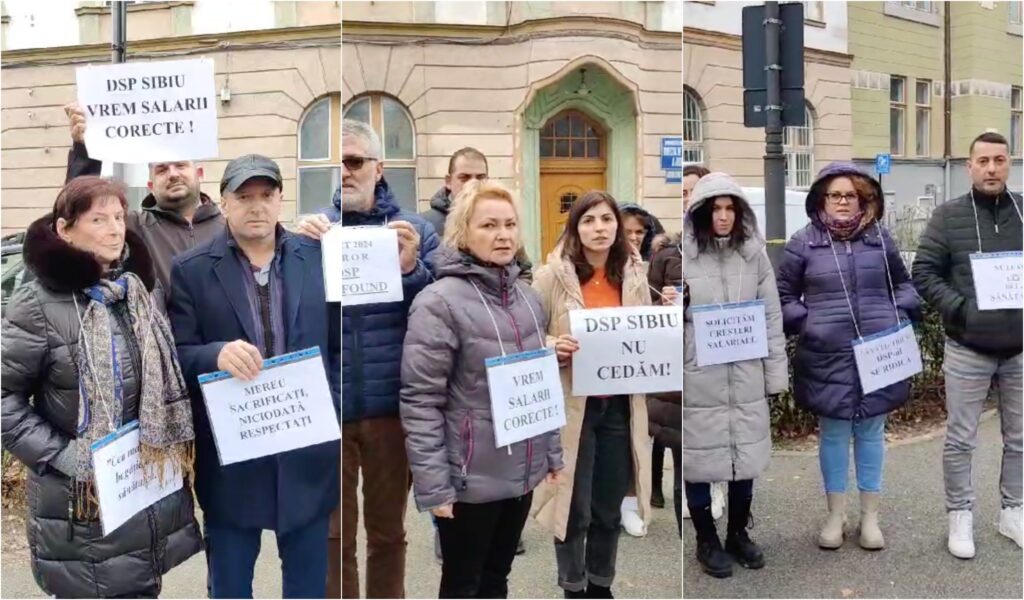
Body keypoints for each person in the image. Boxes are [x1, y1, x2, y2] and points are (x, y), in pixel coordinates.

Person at [1, 176, 203, 598]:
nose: (115, 228)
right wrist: (62, 454)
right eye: (98, 219)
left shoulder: (136, 291)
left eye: (117, 217)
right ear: (64, 229)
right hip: (82, 503)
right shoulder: (38, 304)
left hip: (139, 496)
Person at [167, 155, 341, 598]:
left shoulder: (319, 258)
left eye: (266, 195)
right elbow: (177, 356)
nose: (256, 206)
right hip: (233, 457)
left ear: (281, 200)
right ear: (223, 203)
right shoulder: (191, 270)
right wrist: (215, 354)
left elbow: (342, 347)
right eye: (244, 197)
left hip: (306, 451)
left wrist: (332, 411)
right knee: (229, 586)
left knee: (306, 586)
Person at [400, 179, 563, 598]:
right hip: (470, 478)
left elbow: (538, 386)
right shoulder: (439, 302)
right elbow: (421, 401)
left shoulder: (529, 300)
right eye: (489, 225)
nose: (503, 234)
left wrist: (551, 453)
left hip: (521, 471)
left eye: (509, 224)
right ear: (463, 233)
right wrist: (435, 486)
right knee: (462, 585)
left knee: (497, 579)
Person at [297, 119, 439, 598]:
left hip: (389, 408)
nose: (346, 172)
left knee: (387, 534)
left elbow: (443, 311)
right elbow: (287, 308)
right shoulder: (311, 232)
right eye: (337, 163)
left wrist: (411, 270)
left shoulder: (415, 231)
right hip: (329, 407)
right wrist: (296, 255)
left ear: (379, 168)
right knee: (335, 536)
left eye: (355, 161)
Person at [777, 163, 922, 551]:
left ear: (863, 199)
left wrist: (899, 314)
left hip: (879, 351)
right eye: (835, 195)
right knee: (835, 434)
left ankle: (870, 516)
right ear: (821, 199)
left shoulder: (881, 239)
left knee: (872, 432)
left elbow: (904, 286)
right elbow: (784, 297)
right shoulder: (802, 242)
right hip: (827, 354)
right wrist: (809, 324)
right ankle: (835, 516)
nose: (843, 202)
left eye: (850, 195)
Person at [531, 191, 653, 599]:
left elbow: (646, 339)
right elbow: (528, 335)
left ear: (618, 226)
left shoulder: (635, 274)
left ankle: (601, 584)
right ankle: (573, 585)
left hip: (619, 407)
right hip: (572, 408)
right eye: (588, 220)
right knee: (573, 505)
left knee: (608, 506)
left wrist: (665, 315)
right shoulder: (551, 276)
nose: (599, 228)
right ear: (575, 228)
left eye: (606, 219)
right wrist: (552, 344)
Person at [912, 131, 1023, 558]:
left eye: (999, 160)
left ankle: (1013, 510)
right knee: (961, 439)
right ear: (969, 167)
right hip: (967, 347)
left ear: (1008, 163)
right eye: (983, 161)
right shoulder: (947, 216)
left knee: (1019, 438)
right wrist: (961, 309)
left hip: (1019, 348)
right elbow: (923, 273)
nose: (991, 168)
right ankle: (960, 515)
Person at [682, 172, 787, 579]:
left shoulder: (754, 257)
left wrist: (775, 376)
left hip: (745, 372)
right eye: (715, 208)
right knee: (699, 462)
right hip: (699, 375)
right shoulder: (683, 256)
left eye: (730, 209)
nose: (723, 217)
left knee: (744, 459)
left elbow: (771, 316)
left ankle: (738, 532)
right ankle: (706, 538)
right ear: (702, 212)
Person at [62, 102, 225, 299]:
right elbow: (79, 211)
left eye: (180, 165)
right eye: (162, 169)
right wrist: (84, 151)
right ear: (150, 185)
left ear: (199, 174)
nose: (173, 174)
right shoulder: (132, 229)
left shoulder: (230, 228)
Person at [648, 226, 684, 536]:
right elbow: (648, 298)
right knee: (664, 433)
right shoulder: (665, 256)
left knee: (679, 439)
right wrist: (663, 302)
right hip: (667, 356)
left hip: (696, 356)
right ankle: (655, 489)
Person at [422, 147, 489, 238]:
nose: (473, 184)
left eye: (480, 178)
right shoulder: (424, 226)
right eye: (464, 178)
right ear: (448, 181)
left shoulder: (502, 223)